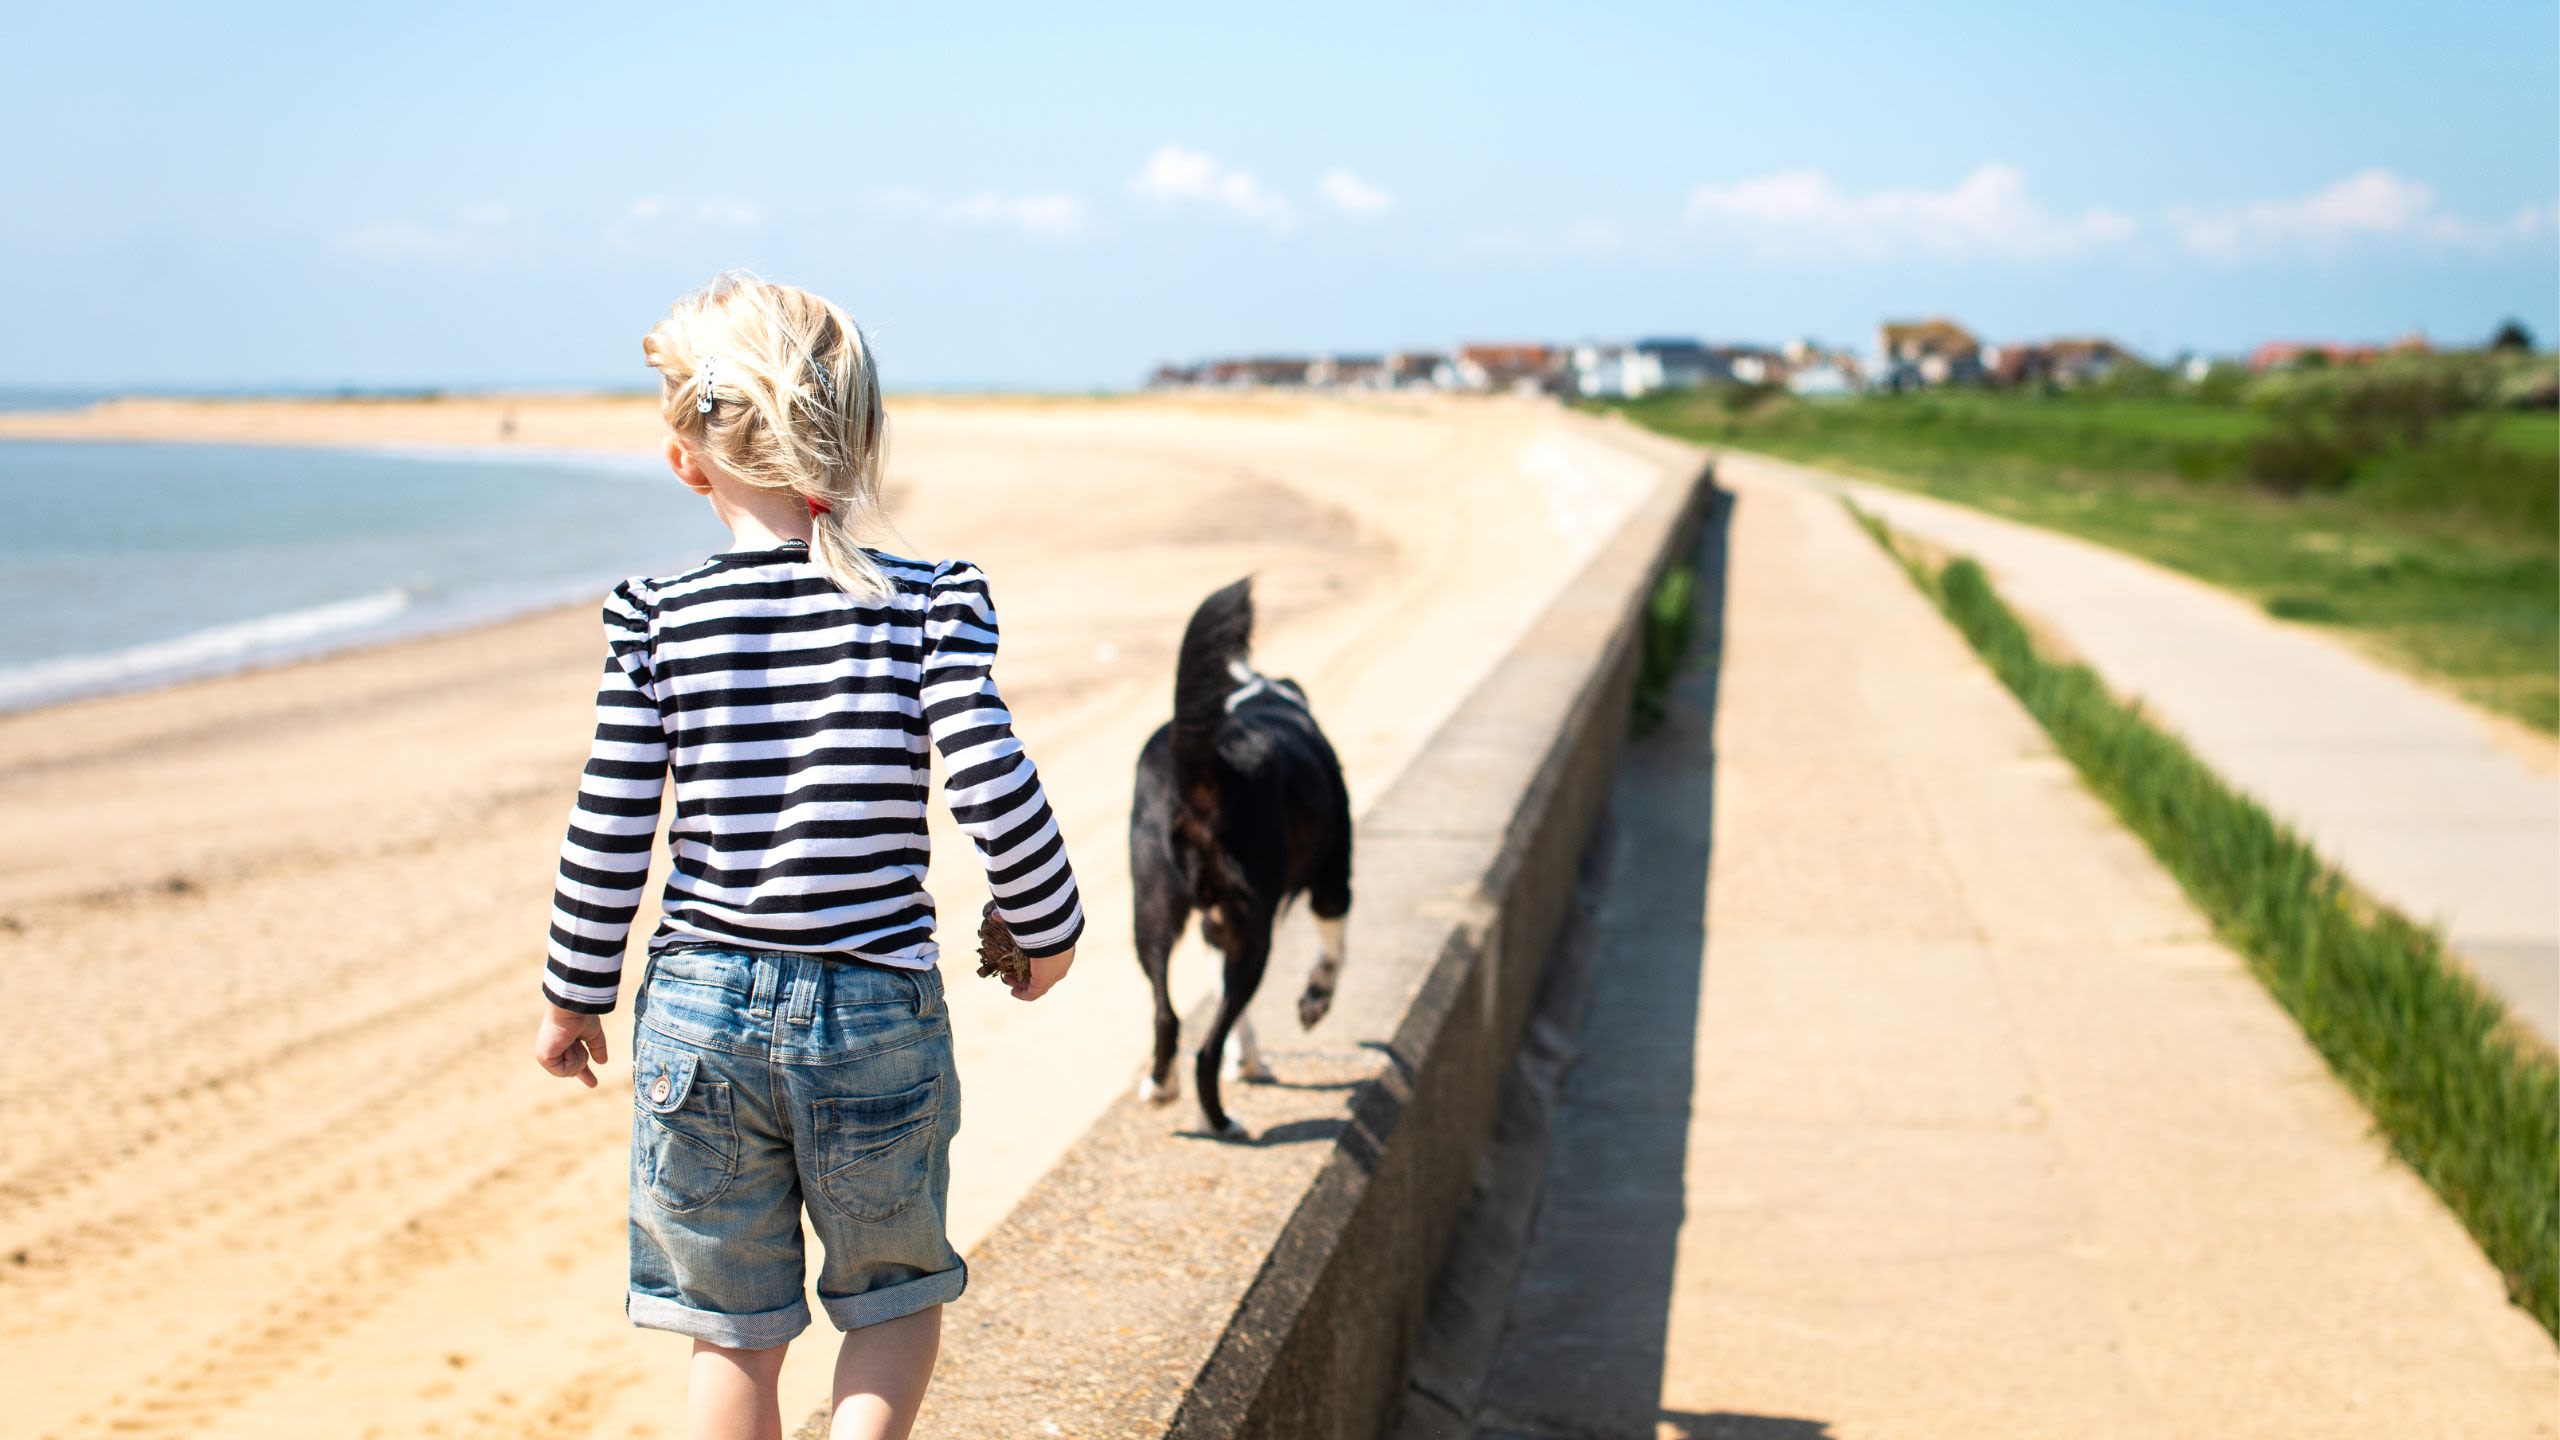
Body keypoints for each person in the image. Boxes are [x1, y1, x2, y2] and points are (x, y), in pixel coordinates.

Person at [530, 272, 1083, 1440]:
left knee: (732, 1334)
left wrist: (574, 993)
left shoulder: (654, 617)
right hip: (872, 1009)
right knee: (891, 1297)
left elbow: (611, 823)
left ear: (687, 458)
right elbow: (990, 777)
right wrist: (1048, 922)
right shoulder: (926, 605)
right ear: (859, 440)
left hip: (697, 1015)